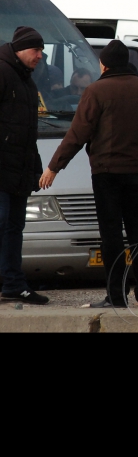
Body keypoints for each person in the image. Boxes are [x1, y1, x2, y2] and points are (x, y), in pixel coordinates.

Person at [38, 39, 138, 309]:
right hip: (136, 173)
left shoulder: (96, 91)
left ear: (105, 64)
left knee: (111, 236)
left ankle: (116, 297)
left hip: (106, 173)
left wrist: (54, 166)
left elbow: (77, 134)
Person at [0, 27, 50, 305]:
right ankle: (12, 282)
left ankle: (13, 284)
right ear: (20, 49)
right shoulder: (3, 72)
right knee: (4, 224)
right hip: (3, 167)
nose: (40, 56)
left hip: (18, 168)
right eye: (36, 50)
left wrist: (34, 168)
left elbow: (28, 132)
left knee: (14, 227)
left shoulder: (27, 80)